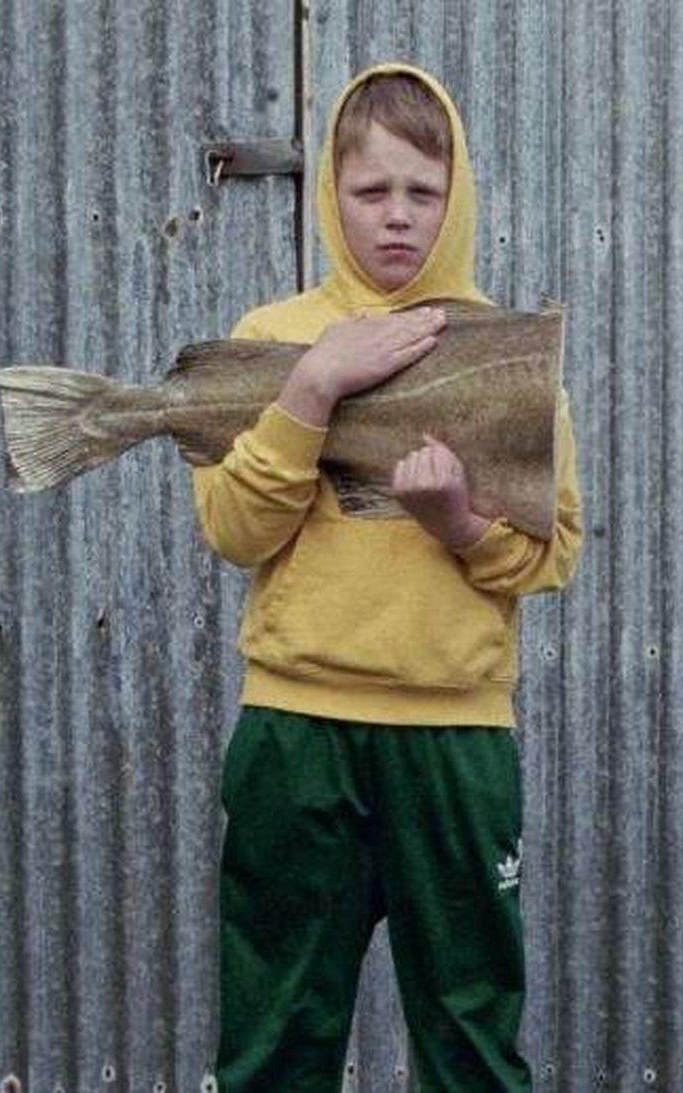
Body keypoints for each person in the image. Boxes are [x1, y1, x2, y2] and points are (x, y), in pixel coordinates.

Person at [194, 63, 582, 1091]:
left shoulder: (508, 353)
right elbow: (234, 529)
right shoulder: (271, 341)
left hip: (454, 736)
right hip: (295, 734)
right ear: (332, 193)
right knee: (275, 1037)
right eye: (371, 191)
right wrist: (313, 389)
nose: (398, 216)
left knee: (470, 1042)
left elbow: (553, 553)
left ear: (459, 195)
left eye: (423, 190)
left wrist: (458, 523)